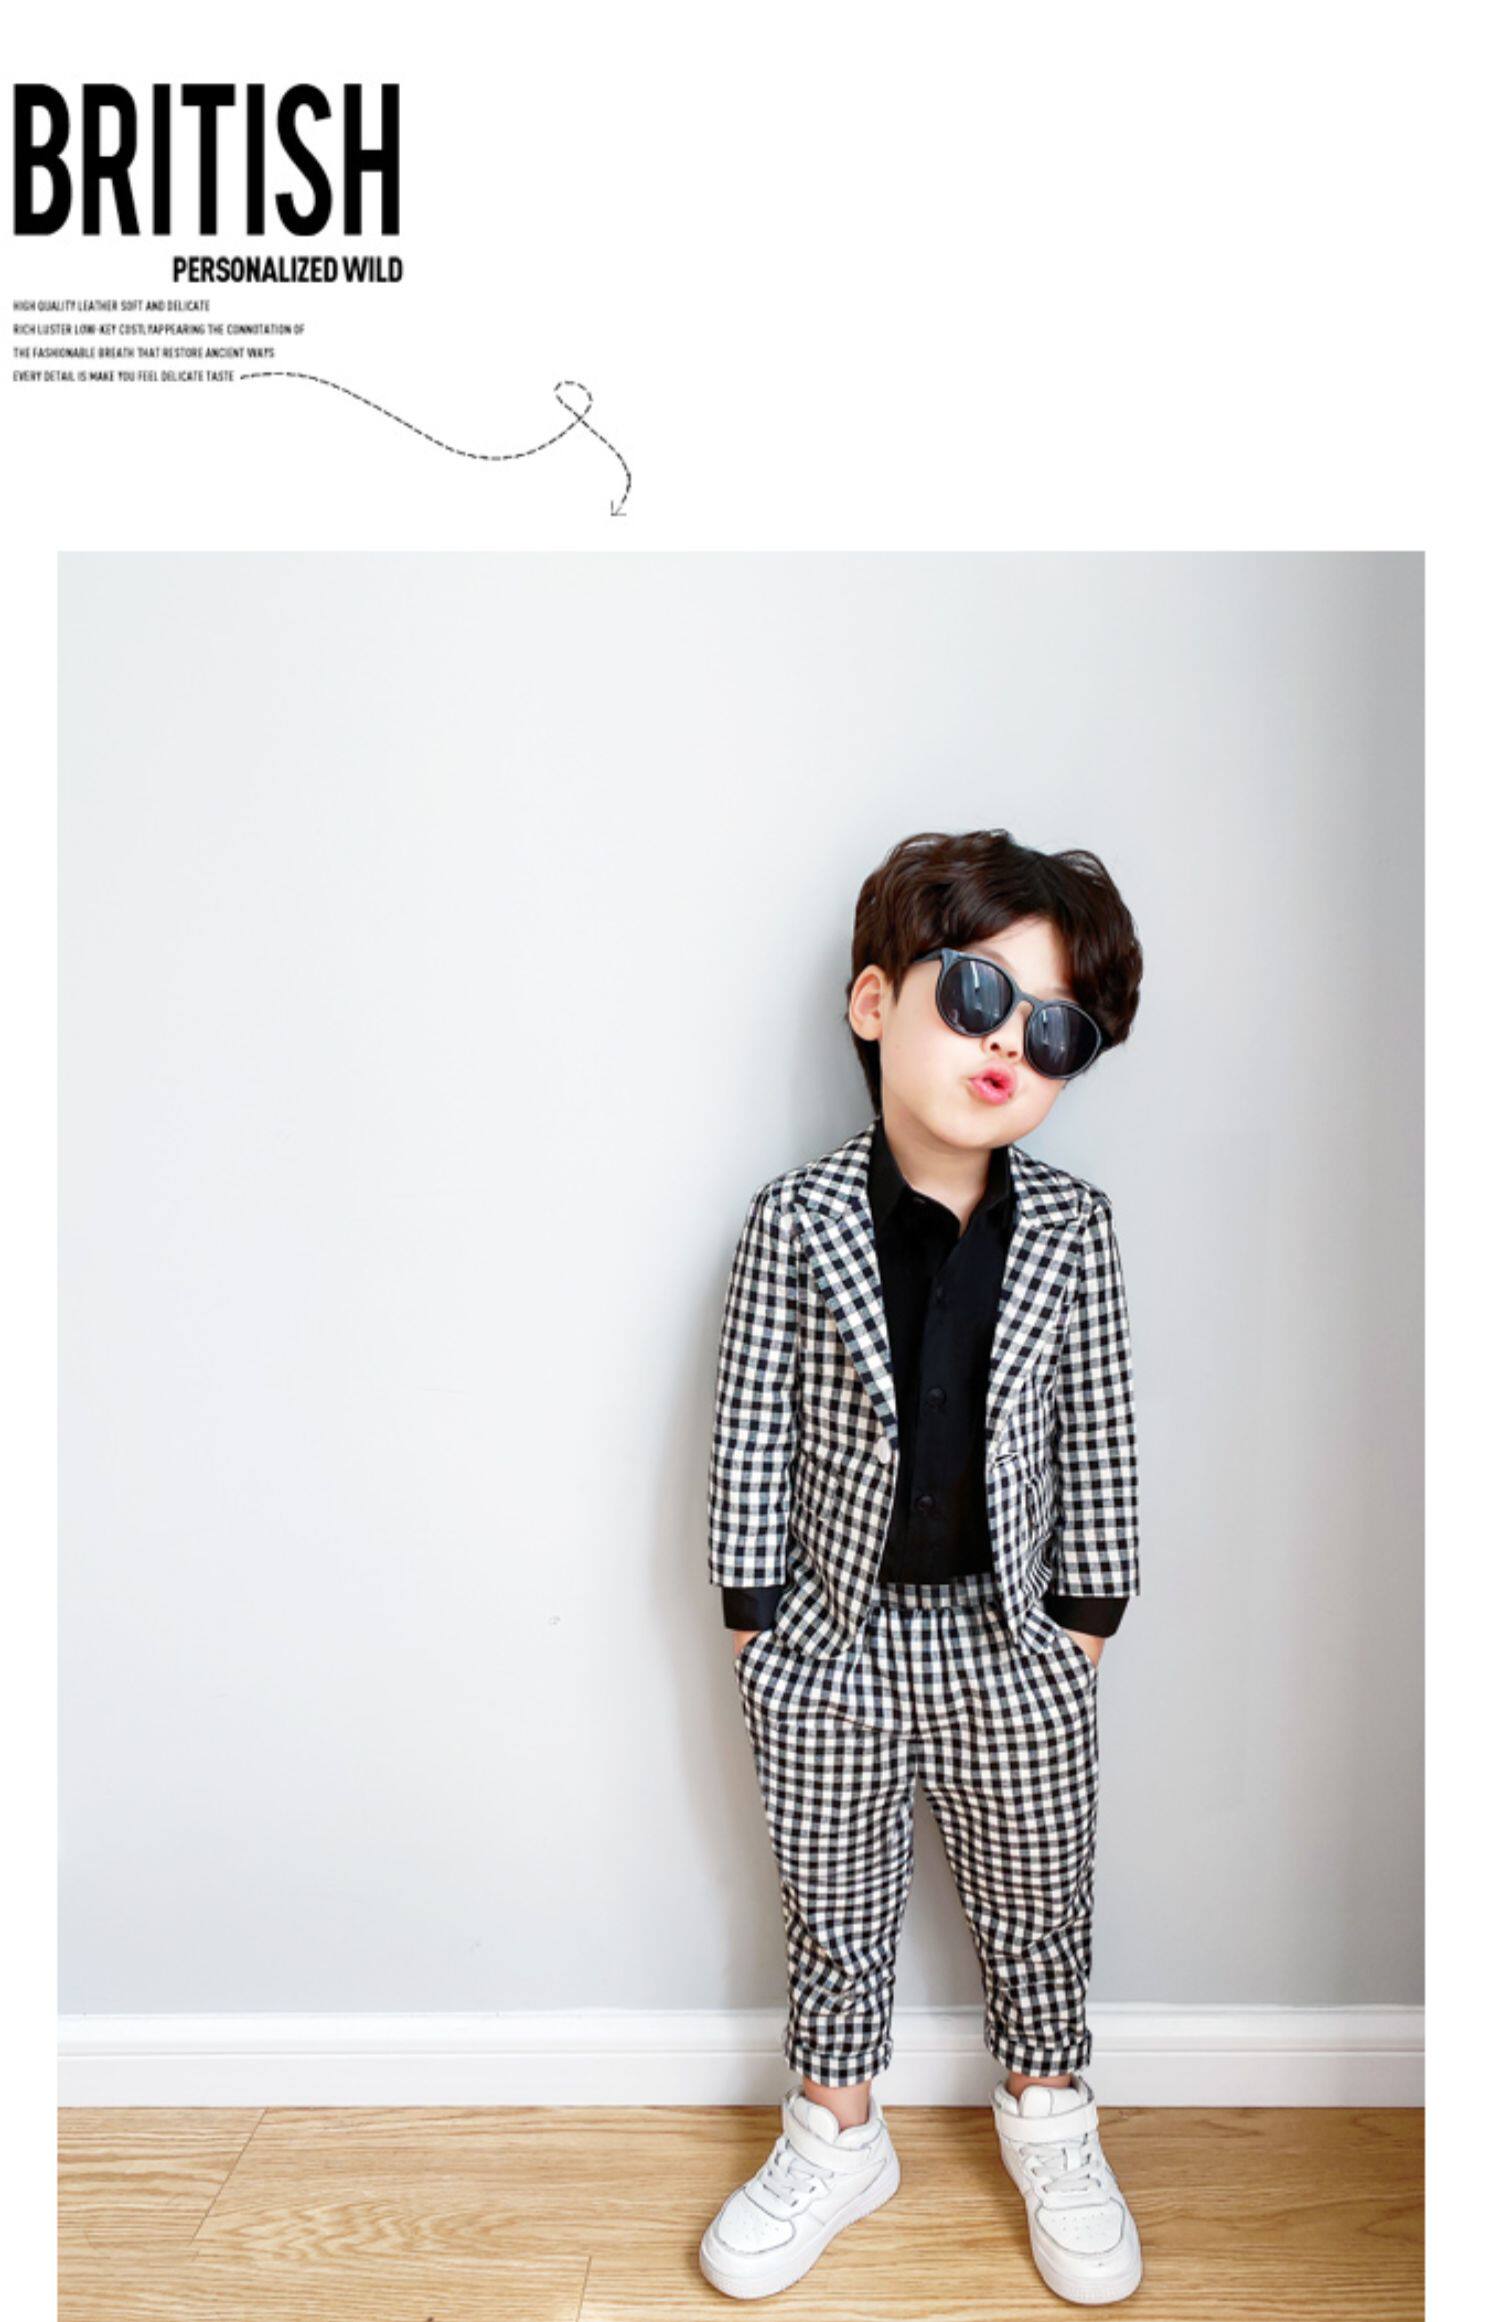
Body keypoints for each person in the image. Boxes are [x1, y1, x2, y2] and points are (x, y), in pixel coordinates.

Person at [698, 826, 1146, 2304]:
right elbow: (750, 1422)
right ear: (877, 1000)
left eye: (1055, 1030)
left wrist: (1087, 1617)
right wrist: (757, 1622)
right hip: (832, 1637)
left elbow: (1101, 1427)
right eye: (978, 995)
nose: (1011, 1044)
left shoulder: (1076, 1231)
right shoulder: (795, 1222)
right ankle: (837, 2133)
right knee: (831, 1900)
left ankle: (1051, 2116)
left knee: (1039, 1891)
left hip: (1017, 1639)